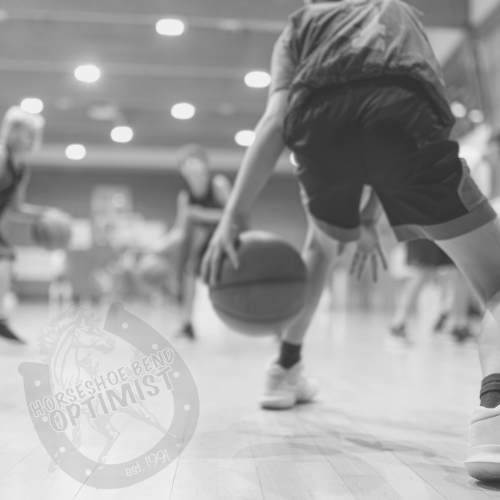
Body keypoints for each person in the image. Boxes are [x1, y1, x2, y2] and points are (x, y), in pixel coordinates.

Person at [201, 0, 500, 481]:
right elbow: (404, 116)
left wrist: (233, 217)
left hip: (319, 125)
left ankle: (283, 368)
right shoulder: (400, 12)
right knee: (496, 284)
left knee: (320, 248)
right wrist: (371, 213)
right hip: (403, 116)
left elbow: (275, 121)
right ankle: (496, 412)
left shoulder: (300, 24)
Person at [0, 106, 63, 343]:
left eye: (35, 135)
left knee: (7, 258)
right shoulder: (2, 157)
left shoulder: (22, 169)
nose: (33, 140)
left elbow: (16, 208)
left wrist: (47, 213)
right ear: (14, 132)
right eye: (29, 134)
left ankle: (1, 319)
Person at [175, 144, 233, 340]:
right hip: (212, 238)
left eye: (195, 161)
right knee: (190, 272)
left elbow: (234, 216)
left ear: (206, 165)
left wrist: (202, 214)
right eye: (186, 163)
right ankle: (187, 324)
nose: (191, 166)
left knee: (249, 279)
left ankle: (277, 325)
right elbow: (179, 232)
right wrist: (154, 249)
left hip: (233, 235)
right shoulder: (185, 196)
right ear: (182, 170)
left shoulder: (218, 184)